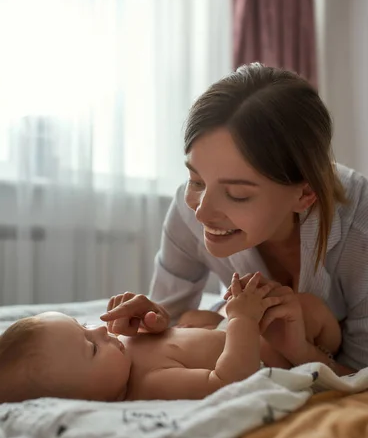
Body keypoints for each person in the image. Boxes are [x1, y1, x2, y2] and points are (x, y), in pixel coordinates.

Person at [101, 63, 368, 376]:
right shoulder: (187, 212)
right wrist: (152, 319)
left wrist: (298, 350)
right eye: (196, 180)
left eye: (238, 195)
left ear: (305, 193)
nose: (201, 211)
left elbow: (360, 375)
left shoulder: (359, 233)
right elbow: (171, 316)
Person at [0, 274, 341, 405]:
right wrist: (243, 320)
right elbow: (229, 381)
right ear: (86, 398)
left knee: (195, 317)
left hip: (215, 332)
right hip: (271, 350)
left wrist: (157, 323)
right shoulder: (151, 383)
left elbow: (174, 336)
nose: (101, 330)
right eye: (90, 346)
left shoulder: (116, 356)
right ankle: (330, 350)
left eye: (82, 325)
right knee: (308, 307)